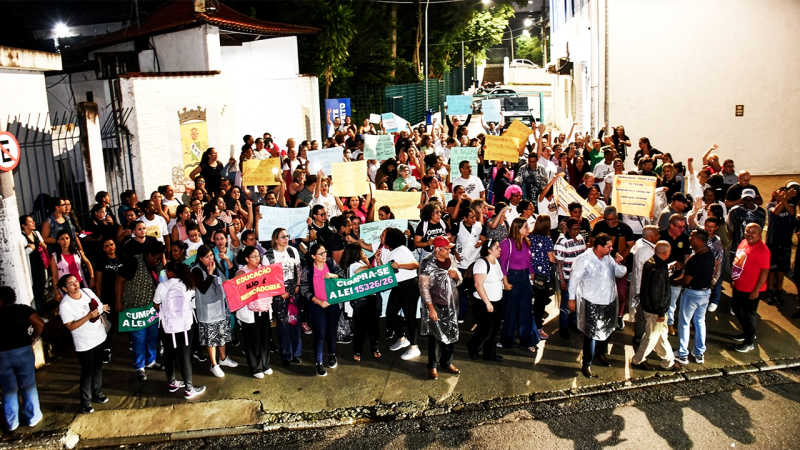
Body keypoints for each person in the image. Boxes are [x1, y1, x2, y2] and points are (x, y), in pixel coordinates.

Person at [568, 233, 627, 378]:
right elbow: (574, 280)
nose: (611, 249)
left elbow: (620, 274)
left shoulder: (609, 258)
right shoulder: (584, 259)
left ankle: (600, 353)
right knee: (590, 335)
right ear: (599, 246)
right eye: (609, 246)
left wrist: (620, 264)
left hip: (609, 300)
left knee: (609, 329)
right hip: (591, 301)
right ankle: (586, 363)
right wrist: (571, 299)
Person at [153, 262, 205, 399]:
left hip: (168, 327)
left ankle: (172, 383)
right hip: (184, 327)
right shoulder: (188, 284)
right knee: (185, 357)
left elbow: (156, 304)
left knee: (169, 356)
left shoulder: (162, 286)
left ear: (170, 272)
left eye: (166, 270)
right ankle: (189, 389)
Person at [58, 274, 110, 414]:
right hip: (84, 343)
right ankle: (85, 400)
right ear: (64, 288)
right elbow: (70, 326)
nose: (75, 284)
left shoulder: (87, 292)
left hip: (99, 336)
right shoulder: (65, 305)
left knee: (98, 367)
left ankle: (97, 391)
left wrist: (101, 308)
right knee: (88, 371)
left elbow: (98, 307)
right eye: (71, 283)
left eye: (76, 280)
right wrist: (88, 316)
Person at [116, 241, 165, 381]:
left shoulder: (159, 265)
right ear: (148, 255)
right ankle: (140, 366)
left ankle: (151, 361)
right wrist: (118, 301)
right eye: (156, 258)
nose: (158, 261)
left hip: (152, 308)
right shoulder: (134, 262)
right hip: (136, 309)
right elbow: (119, 280)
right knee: (139, 338)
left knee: (152, 335)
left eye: (160, 258)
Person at [630, 241, 682, 372]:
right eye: (669, 251)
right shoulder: (659, 269)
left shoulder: (651, 262)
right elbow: (657, 293)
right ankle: (637, 360)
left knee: (660, 335)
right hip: (655, 309)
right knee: (652, 336)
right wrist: (661, 312)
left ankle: (668, 361)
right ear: (665, 253)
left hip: (649, 306)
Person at [0, 287, 44, 430]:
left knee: (8, 389)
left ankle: (11, 423)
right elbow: (40, 323)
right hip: (23, 351)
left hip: (2, 355)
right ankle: (33, 417)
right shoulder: (22, 310)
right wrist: (33, 337)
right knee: (28, 385)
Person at [419, 237, 462, 380]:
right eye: (447, 248)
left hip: (450, 304)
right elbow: (424, 288)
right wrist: (431, 308)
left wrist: (456, 276)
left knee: (450, 334)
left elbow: (458, 279)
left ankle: (447, 362)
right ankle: (432, 365)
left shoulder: (450, 259)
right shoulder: (427, 263)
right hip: (435, 304)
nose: (450, 250)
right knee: (435, 337)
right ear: (438, 249)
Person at [671, 229, 716, 365]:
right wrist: (684, 265)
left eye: (692, 237)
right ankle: (699, 353)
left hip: (692, 294)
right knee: (700, 322)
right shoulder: (709, 254)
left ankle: (682, 354)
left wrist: (671, 281)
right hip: (705, 293)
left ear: (699, 240)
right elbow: (699, 269)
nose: (689, 239)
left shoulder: (695, 259)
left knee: (684, 323)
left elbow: (686, 280)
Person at [300, 243, 346, 377]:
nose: (324, 255)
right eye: (321, 253)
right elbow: (304, 290)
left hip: (332, 304)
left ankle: (332, 355)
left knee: (332, 331)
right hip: (316, 305)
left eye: (325, 252)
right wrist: (318, 301)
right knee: (320, 333)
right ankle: (318, 362)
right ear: (313, 256)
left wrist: (333, 276)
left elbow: (343, 277)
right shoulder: (308, 269)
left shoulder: (331, 263)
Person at [192, 245, 237, 378]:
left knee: (222, 335)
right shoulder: (196, 270)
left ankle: (223, 359)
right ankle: (214, 364)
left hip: (220, 307)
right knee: (211, 338)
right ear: (200, 258)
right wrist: (210, 273)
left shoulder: (217, 267)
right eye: (207, 257)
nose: (210, 258)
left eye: (211, 255)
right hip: (207, 311)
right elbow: (203, 289)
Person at [261, 229, 304, 367]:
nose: (286, 239)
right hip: (279, 292)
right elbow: (266, 277)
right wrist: (279, 292)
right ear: (275, 239)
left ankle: (297, 352)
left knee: (295, 320)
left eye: (287, 236)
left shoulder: (292, 251)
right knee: (283, 323)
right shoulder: (268, 256)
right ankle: (286, 354)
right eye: (283, 236)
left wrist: (298, 285)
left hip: (293, 289)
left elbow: (298, 268)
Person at [499, 218, 540, 353]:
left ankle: (529, 340)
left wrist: (532, 273)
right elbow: (502, 264)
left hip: (524, 277)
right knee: (510, 311)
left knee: (526, 310)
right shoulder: (506, 243)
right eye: (526, 227)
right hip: (512, 277)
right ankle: (507, 341)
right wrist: (505, 282)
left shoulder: (525, 241)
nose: (528, 229)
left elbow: (529, 261)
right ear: (518, 229)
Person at [590, 206, 635, 329]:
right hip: (601, 266)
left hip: (619, 265)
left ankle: (619, 316)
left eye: (612, 219)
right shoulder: (599, 226)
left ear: (617, 217)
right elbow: (592, 242)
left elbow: (631, 245)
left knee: (620, 294)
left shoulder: (625, 228)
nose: (610, 222)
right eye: (607, 219)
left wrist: (621, 257)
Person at [730, 223, 770, 352]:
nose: (749, 234)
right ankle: (747, 332)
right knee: (736, 308)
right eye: (748, 231)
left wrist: (756, 290)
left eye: (753, 232)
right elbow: (739, 261)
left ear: (760, 234)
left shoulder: (763, 251)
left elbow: (765, 272)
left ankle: (749, 341)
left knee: (749, 315)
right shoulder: (744, 242)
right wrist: (734, 279)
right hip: (740, 285)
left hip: (751, 290)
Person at [340, 243, 382, 362]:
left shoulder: (363, 263)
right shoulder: (353, 265)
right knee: (361, 327)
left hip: (371, 298)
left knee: (374, 326)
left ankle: (375, 348)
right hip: (361, 301)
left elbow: (378, 272)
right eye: (362, 251)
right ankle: (357, 350)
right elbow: (361, 272)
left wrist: (373, 262)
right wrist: (370, 264)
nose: (364, 253)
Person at [465, 239, 504, 361]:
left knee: (494, 330)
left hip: (497, 301)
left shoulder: (495, 262)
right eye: (497, 247)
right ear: (489, 250)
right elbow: (478, 285)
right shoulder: (481, 264)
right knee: (485, 330)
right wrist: (488, 303)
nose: (500, 249)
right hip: (484, 303)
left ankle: (489, 354)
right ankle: (473, 347)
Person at [554, 218, 587, 339]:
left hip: (580, 278)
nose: (576, 231)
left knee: (577, 302)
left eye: (578, 229)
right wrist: (561, 280)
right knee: (566, 305)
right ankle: (563, 328)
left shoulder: (581, 239)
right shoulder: (562, 242)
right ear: (568, 228)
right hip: (567, 278)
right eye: (574, 229)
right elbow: (558, 263)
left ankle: (573, 323)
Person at [628, 225, 661, 347]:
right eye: (658, 234)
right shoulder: (647, 251)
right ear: (651, 236)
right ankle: (639, 337)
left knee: (640, 313)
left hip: (640, 285)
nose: (659, 236)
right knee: (642, 314)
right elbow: (652, 271)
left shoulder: (639, 242)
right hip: (644, 287)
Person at [451, 208, 485, 322]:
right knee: (461, 289)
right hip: (461, 262)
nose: (474, 219)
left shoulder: (479, 226)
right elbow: (451, 242)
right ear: (464, 218)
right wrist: (455, 253)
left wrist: (481, 242)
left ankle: (478, 318)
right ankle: (461, 314)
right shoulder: (457, 226)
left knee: (476, 289)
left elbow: (484, 239)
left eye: (475, 216)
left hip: (474, 262)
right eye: (471, 217)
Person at [660, 214, 691, 335]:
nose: (681, 229)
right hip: (661, 276)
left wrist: (683, 266)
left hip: (676, 277)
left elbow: (687, 256)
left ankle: (670, 323)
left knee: (672, 302)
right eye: (679, 227)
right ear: (671, 225)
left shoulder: (684, 238)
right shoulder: (660, 236)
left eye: (683, 227)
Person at [765, 187, 797, 304]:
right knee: (771, 269)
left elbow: (792, 213)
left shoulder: (791, 206)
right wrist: (785, 199)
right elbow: (776, 212)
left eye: (785, 193)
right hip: (772, 242)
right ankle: (769, 291)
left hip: (785, 243)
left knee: (781, 270)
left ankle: (778, 291)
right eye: (781, 193)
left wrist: (785, 200)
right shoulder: (770, 205)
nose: (783, 195)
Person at [530, 215, 555, 340]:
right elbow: (551, 258)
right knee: (540, 302)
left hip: (529, 273)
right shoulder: (547, 239)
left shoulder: (529, 236)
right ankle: (538, 328)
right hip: (542, 275)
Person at [50, 230, 95, 302]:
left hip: (80, 283)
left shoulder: (77, 252)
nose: (65, 241)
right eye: (62, 239)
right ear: (58, 241)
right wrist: (56, 292)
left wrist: (92, 278)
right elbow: (55, 276)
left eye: (67, 238)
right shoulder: (55, 257)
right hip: (66, 287)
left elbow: (88, 263)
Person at [726, 188, 767, 264]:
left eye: (750, 199)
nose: (748, 202)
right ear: (741, 199)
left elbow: (761, 227)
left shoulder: (761, 212)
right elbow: (728, 225)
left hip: (754, 247)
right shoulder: (734, 211)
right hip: (736, 246)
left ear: (755, 200)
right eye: (745, 199)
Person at [20, 215, 49, 311]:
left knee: (41, 288)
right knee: (34, 290)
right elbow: (21, 256)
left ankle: (41, 309)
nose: (34, 223)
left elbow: (43, 246)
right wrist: (29, 249)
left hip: (40, 266)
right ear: (23, 225)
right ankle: (36, 310)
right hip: (31, 268)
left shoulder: (36, 234)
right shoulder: (22, 238)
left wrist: (43, 245)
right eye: (30, 221)